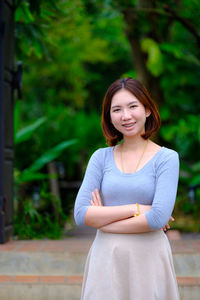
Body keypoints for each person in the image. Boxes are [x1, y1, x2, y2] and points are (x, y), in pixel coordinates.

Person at [74, 77, 180, 300]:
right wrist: (138, 208)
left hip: (149, 259)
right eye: (117, 109)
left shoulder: (167, 158)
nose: (126, 116)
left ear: (148, 110)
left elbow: (158, 219)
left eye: (133, 106)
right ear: (109, 117)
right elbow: (82, 215)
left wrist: (104, 222)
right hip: (106, 259)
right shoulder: (100, 158)